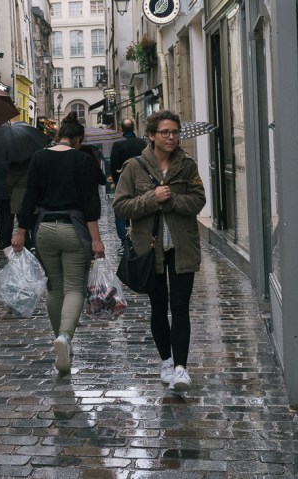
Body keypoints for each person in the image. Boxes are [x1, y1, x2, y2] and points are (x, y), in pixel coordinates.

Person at [113, 110, 206, 393]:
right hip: (149, 250)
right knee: (158, 308)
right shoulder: (134, 167)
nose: (171, 137)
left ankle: (181, 368)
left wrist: (173, 199)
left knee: (180, 308)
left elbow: (198, 201)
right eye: (165, 132)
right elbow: (121, 206)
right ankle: (166, 361)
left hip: (181, 247)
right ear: (151, 135)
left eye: (175, 132)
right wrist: (152, 199)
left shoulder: (187, 166)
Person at [11, 115, 105, 375]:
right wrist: (96, 239)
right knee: (74, 287)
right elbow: (90, 204)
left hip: (44, 230)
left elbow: (29, 198)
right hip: (73, 228)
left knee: (54, 287)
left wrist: (20, 233)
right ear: (77, 140)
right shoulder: (83, 160)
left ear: (59, 135)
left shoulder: (39, 158)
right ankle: (64, 337)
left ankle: (60, 341)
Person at [107, 119, 148, 243]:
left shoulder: (118, 144)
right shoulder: (142, 143)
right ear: (134, 128)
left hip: (123, 181)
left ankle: (123, 237)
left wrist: (116, 180)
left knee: (120, 209)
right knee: (141, 205)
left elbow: (113, 165)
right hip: (142, 182)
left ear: (121, 130)